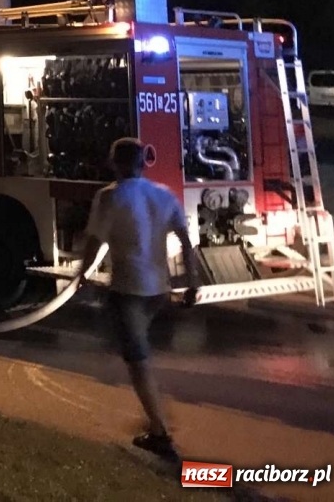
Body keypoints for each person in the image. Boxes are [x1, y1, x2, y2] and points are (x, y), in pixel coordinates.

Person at [76, 137, 202, 459]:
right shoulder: (162, 195)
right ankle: (156, 409)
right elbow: (186, 242)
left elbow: (93, 242)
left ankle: (159, 431)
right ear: (143, 164)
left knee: (137, 360)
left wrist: (81, 275)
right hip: (158, 290)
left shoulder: (109, 197)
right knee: (138, 352)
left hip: (128, 290)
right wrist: (191, 281)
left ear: (113, 163)